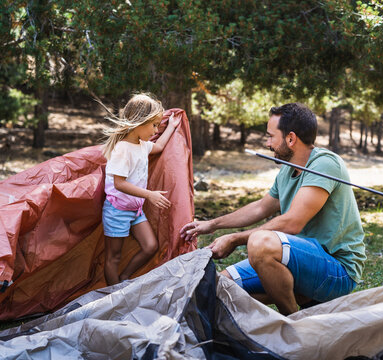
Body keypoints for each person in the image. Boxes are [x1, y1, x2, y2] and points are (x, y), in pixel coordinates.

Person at [180, 103, 366, 315]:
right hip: (296, 261)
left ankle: (294, 322)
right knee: (217, 286)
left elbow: (292, 223)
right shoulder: (287, 171)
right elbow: (260, 207)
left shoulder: (325, 163)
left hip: (337, 272)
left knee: (261, 243)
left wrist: (234, 239)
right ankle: (304, 299)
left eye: (270, 136)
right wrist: (213, 225)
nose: (267, 144)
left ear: (290, 139)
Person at [101, 93, 180, 285]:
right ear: (138, 122)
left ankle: (125, 277)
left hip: (135, 210)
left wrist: (171, 127)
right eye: (153, 125)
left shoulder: (142, 145)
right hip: (117, 210)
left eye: (157, 125)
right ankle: (114, 297)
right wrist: (149, 195)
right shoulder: (122, 149)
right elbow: (119, 183)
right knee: (114, 257)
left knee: (150, 246)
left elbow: (160, 146)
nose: (155, 130)